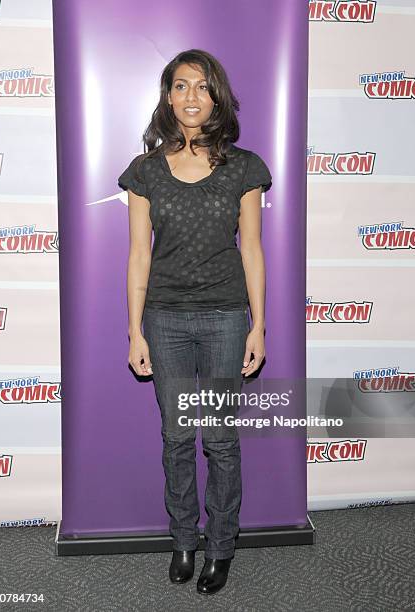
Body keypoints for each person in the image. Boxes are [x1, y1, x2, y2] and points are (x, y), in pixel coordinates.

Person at [118, 49, 272, 596]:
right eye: (180, 86)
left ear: (217, 98)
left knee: (222, 441)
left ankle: (221, 546)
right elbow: (139, 255)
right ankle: (184, 539)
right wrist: (135, 330)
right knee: (177, 437)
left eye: (201, 87)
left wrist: (258, 325)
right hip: (165, 320)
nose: (190, 97)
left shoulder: (244, 167)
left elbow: (251, 249)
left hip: (228, 318)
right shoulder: (145, 172)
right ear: (167, 96)